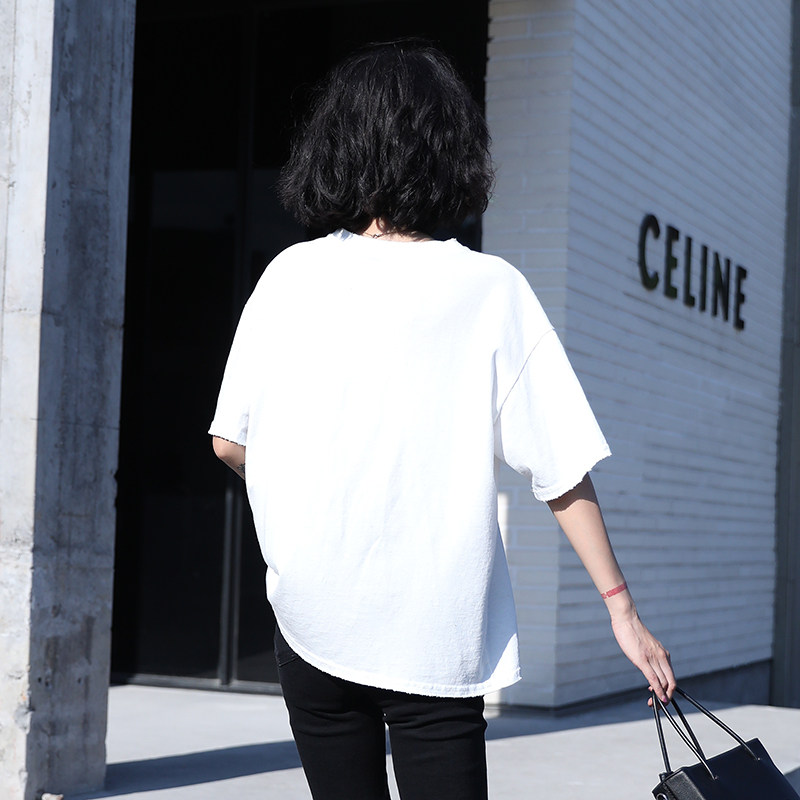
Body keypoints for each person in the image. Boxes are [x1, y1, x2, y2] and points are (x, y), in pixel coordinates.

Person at [209, 40, 675, 800]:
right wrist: (622, 610)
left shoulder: (287, 276)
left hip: (311, 616)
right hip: (433, 632)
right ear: (448, 151)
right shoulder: (489, 289)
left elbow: (232, 442)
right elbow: (560, 467)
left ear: (339, 143)